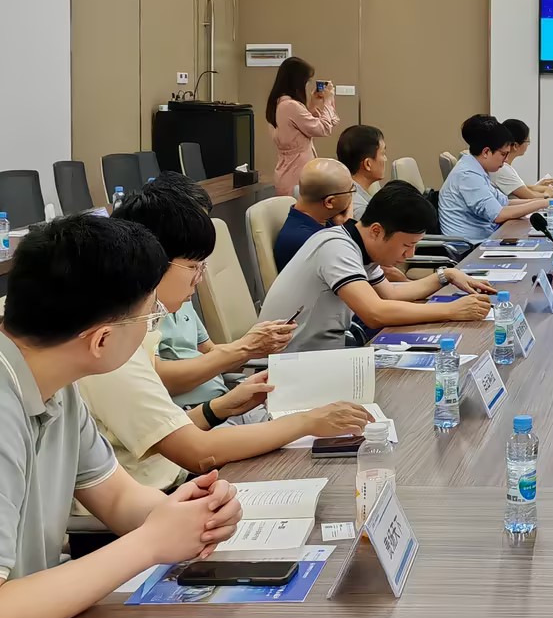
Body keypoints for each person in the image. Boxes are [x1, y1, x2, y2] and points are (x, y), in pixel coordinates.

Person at [0, 213, 243, 618]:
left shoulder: (58, 383)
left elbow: (116, 496)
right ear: (102, 340)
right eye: (149, 318)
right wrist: (150, 543)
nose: (151, 329)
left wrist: (187, 516)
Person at [78, 176, 373, 491]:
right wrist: (307, 422)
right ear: (155, 261)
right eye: (194, 266)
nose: (200, 279)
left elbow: (167, 435)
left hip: (177, 477)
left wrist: (221, 407)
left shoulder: (137, 329)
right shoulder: (112, 347)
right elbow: (195, 452)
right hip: (168, 488)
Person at [119, 174, 297, 409]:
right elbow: (159, 379)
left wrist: (251, 348)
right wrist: (244, 348)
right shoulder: (137, 315)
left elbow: (211, 352)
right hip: (196, 411)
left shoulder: (180, 298)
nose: (200, 275)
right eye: (194, 265)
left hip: (217, 403)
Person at [261, 180, 496, 350]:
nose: (410, 254)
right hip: (294, 363)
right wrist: (452, 310)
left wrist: (447, 275)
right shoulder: (335, 248)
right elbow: (375, 313)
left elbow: (391, 294)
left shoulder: (359, 244)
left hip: (327, 352)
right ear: (376, 230)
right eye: (407, 245)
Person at [438, 115, 553, 241]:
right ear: (486, 152)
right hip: (471, 246)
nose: (506, 160)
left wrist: (546, 203)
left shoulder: (476, 169)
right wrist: (543, 203)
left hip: (486, 237)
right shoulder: (468, 175)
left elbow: (505, 202)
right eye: (503, 154)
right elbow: (498, 215)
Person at [265, 55, 338, 198]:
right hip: (296, 174)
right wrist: (328, 101)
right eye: (306, 81)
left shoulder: (280, 103)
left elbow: (302, 125)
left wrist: (313, 104)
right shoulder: (290, 105)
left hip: (290, 171)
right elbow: (323, 128)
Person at [274, 158, 355, 273]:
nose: (352, 196)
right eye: (351, 191)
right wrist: (348, 229)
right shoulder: (311, 242)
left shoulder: (322, 221)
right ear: (330, 202)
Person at [490, 118, 553, 200]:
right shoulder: (501, 168)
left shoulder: (504, 167)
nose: (528, 145)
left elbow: (522, 187)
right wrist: (547, 194)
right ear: (516, 145)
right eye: (527, 141)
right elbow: (530, 196)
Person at [337, 124, 387, 215]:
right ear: (368, 164)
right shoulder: (361, 211)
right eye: (383, 154)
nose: (385, 159)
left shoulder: (341, 191)